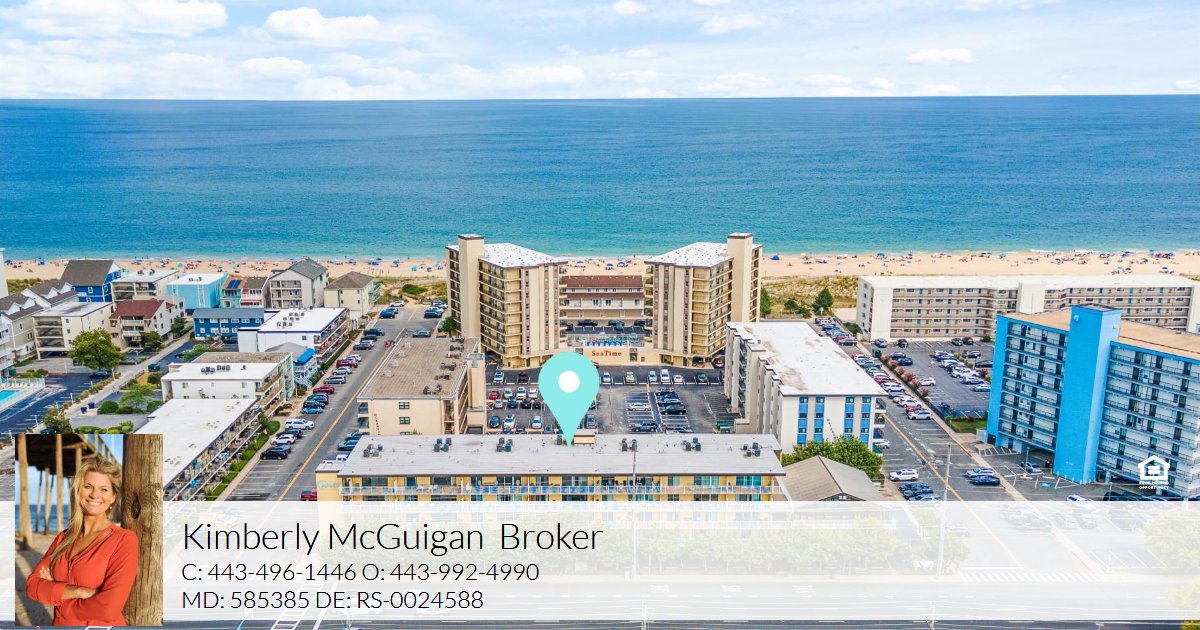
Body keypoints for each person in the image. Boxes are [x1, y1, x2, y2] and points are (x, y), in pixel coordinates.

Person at [26, 460, 139, 626]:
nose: (94, 495)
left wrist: (56, 592)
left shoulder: (124, 540)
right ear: (78, 491)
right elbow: (32, 586)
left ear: (113, 497)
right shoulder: (63, 538)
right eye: (88, 487)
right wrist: (80, 591)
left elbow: (108, 609)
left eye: (104, 489)